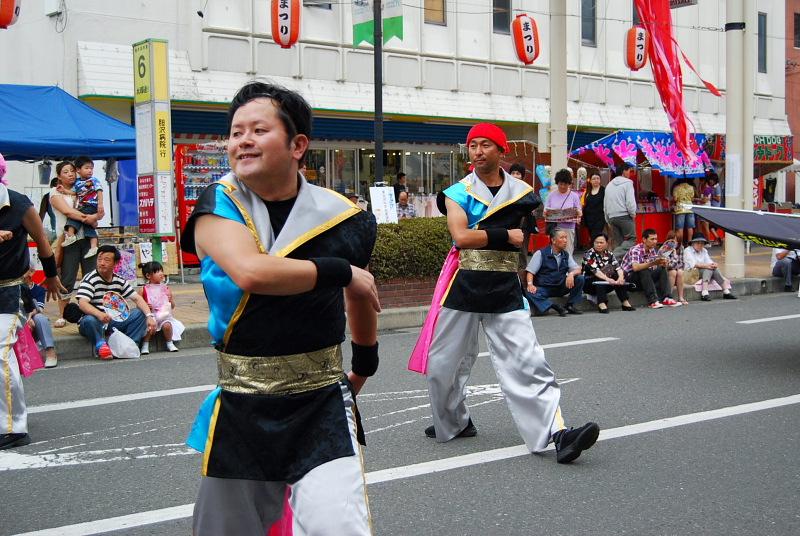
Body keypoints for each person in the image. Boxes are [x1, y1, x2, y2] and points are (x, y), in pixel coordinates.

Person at [181, 82, 380, 535]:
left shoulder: (344, 217)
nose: (243, 141)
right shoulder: (217, 205)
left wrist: (365, 362)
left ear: (297, 145)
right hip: (242, 402)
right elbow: (252, 272)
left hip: (322, 400)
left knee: (339, 525)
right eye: (236, 133)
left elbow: (361, 294)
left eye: (258, 130)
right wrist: (341, 271)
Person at [417, 122, 599, 465]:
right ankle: (455, 421)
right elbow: (461, 237)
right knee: (443, 364)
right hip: (464, 284)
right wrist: (504, 235)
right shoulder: (457, 192)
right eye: (473, 145)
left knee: (528, 360)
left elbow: (521, 243)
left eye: (485, 144)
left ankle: (558, 434)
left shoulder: (522, 192)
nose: (477, 151)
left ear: (502, 150)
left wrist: (517, 262)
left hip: (504, 286)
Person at [0, 151, 64, 450]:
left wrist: (50, 276)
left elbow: (42, 243)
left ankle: (14, 428)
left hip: (8, 292)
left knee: (1, 356)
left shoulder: (20, 205)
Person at [76, 245, 156, 360]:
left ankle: (129, 345)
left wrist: (149, 316)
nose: (102, 263)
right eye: (99, 259)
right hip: (95, 321)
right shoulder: (90, 279)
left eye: (106, 260)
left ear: (116, 263)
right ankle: (101, 346)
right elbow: (82, 303)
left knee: (139, 313)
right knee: (89, 320)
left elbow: (137, 298)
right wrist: (99, 314)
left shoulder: (119, 280)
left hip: (113, 321)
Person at [49, 160, 102, 328]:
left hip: (87, 237)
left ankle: (91, 311)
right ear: (59, 176)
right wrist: (90, 218)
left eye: (72, 171)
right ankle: (63, 314)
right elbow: (68, 212)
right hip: (68, 240)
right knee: (67, 277)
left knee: (91, 276)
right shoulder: (55, 192)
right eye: (65, 172)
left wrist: (96, 216)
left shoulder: (82, 188)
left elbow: (99, 211)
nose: (70, 174)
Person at [525, 228, 585, 316]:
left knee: (580, 278)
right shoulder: (541, 253)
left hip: (561, 286)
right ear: (553, 240)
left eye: (566, 238)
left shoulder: (566, 254)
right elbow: (530, 272)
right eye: (562, 238)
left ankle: (570, 305)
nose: (565, 241)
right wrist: (530, 284)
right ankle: (555, 306)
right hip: (545, 288)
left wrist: (571, 274)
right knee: (530, 292)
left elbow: (578, 269)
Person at [621, 228, 681, 309]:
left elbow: (653, 267)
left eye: (656, 239)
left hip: (643, 280)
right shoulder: (636, 250)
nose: (655, 241)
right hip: (630, 281)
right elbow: (635, 267)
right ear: (644, 239)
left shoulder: (652, 250)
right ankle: (652, 301)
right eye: (652, 239)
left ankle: (667, 298)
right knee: (643, 269)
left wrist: (662, 263)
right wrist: (653, 263)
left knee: (661, 268)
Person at [582, 233, 635, 313]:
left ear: (607, 243)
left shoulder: (609, 254)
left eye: (601, 242)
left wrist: (620, 278)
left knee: (618, 275)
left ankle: (625, 302)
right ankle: (601, 303)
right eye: (596, 242)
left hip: (606, 283)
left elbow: (618, 268)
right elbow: (596, 272)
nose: (598, 245)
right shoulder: (588, 254)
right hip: (590, 284)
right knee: (600, 277)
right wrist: (608, 279)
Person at [138, 261, 183, 354]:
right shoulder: (143, 289)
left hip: (164, 316)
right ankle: (145, 344)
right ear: (148, 276)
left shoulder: (166, 288)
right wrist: (145, 305)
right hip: (151, 316)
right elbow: (138, 304)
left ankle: (169, 343)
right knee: (149, 327)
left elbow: (172, 306)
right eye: (157, 271)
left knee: (167, 326)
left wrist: (170, 301)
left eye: (161, 271)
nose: (161, 273)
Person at [61, 156, 102, 259]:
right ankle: (93, 247)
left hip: (90, 205)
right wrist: (64, 191)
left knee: (73, 217)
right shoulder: (77, 182)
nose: (90, 170)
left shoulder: (94, 180)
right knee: (89, 226)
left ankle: (71, 235)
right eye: (87, 168)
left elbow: (99, 191)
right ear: (78, 170)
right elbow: (74, 192)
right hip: (83, 206)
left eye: (91, 168)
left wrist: (100, 204)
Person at [21, 268, 59, 368]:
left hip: (32, 317)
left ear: (31, 272)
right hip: (18, 318)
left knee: (41, 318)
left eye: (24, 269)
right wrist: (25, 319)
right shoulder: (14, 288)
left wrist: (29, 317)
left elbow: (39, 308)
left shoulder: (39, 289)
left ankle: (50, 352)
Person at [683, 233, 737, 301]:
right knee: (708, 269)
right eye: (698, 243)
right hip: (690, 273)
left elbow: (709, 261)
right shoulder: (687, 250)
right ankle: (705, 292)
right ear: (693, 243)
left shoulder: (704, 251)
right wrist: (708, 266)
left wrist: (714, 264)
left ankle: (725, 291)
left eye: (702, 243)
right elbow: (694, 264)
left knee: (714, 268)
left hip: (701, 271)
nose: (700, 245)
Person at [544, 169, 582, 254]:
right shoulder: (551, 195)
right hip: (555, 228)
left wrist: (578, 213)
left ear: (569, 184)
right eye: (560, 184)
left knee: (567, 251)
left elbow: (579, 211)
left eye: (565, 184)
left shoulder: (574, 196)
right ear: (557, 183)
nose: (563, 186)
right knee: (555, 251)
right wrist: (546, 213)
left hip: (568, 228)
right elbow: (545, 210)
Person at [604, 163, 637, 256]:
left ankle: (616, 262)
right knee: (632, 239)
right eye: (629, 171)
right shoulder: (628, 183)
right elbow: (630, 201)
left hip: (611, 217)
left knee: (618, 242)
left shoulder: (609, 185)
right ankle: (614, 255)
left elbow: (605, 204)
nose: (630, 173)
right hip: (624, 215)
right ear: (624, 171)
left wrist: (607, 218)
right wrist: (633, 213)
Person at [658, 230, 688, 305]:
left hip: (675, 269)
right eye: (671, 240)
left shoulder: (681, 248)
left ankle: (680, 297)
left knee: (680, 272)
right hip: (664, 271)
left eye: (675, 240)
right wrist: (674, 254)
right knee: (673, 272)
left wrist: (674, 264)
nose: (673, 243)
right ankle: (668, 296)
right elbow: (667, 265)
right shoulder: (663, 248)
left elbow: (682, 264)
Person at [672, 177, 696, 246]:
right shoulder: (691, 187)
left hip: (680, 209)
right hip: (690, 208)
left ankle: (681, 244)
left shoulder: (676, 188)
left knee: (680, 228)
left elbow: (675, 199)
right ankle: (690, 243)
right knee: (690, 227)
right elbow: (692, 198)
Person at [581, 173, 606, 240]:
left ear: (600, 180)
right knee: (591, 237)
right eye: (594, 179)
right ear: (590, 181)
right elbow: (584, 204)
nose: (596, 180)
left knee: (596, 236)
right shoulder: (587, 191)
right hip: (589, 219)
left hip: (599, 219)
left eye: (598, 178)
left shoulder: (603, 190)